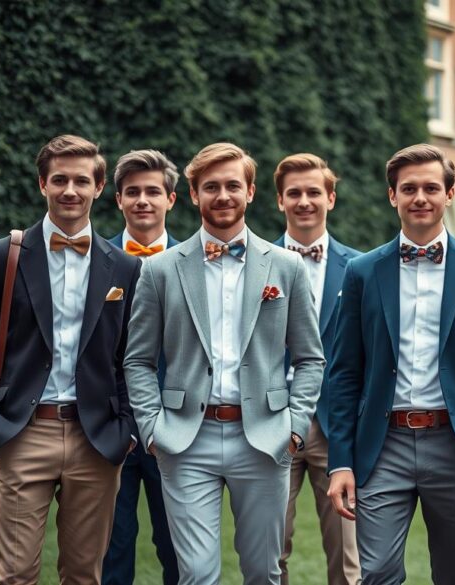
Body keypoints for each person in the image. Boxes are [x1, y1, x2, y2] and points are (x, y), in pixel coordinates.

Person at [124, 143, 324, 584]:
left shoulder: (287, 268)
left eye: (233, 185)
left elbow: (310, 357)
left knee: (263, 573)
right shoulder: (159, 270)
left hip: (265, 437)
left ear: (251, 191)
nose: (223, 195)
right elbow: (137, 360)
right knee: (195, 575)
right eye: (210, 186)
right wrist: (153, 428)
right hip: (184, 441)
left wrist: (293, 426)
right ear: (193, 194)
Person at [325, 143, 455, 585]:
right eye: (409, 188)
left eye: (431, 188)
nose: (420, 197)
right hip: (382, 445)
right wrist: (340, 460)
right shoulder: (362, 272)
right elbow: (342, 373)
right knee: (375, 572)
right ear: (392, 195)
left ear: (449, 195)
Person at [0, 134, 141, 584]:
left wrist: (127, 431)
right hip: (21, 433)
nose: (70, 190)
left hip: (97, 439)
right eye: (60, 180)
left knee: (84, 576)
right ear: (42, 184)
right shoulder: (1, 257)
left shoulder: (127, 268)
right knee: (15, 575)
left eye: (81, 180)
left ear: (99, 188)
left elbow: (133, 359)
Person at [272, 153, 361, 585]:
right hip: (271, 423)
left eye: (313, 192)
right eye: (294, 193)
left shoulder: (361, 268)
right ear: (279, 201)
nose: (304, 201)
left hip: (337, 428)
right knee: (267, 552)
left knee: (348, 558)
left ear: (331, 198)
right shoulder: (256, 263)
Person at [103, 149, 180, 585]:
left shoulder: (196, 260)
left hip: (177, 428)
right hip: (109, 426)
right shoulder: (98, 258)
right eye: (132, 192)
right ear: (118, 200)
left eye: (153, 191)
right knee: (112, 547)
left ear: (171, 198)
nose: (143, 200)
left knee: (178, 547)